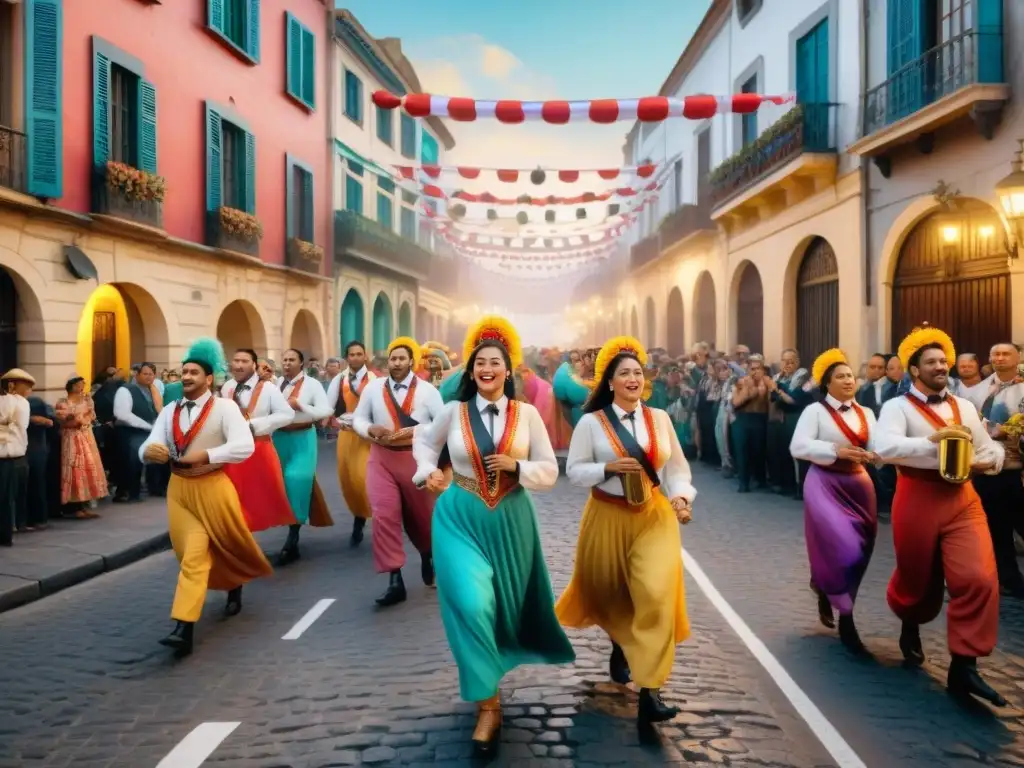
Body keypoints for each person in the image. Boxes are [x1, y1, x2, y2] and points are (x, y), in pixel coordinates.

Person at [413, 316, 575, 756]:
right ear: (471, 371)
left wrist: (517, 467)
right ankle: (488, 704)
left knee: (500, 607)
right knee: (472, 601)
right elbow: (425, 444)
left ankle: (492, 676)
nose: (487, 369)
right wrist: (427, 471)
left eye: (494, 363)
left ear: (508, 370)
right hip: (459, 517)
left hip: (511, 521)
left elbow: (549, 470)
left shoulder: (527, 416)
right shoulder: (453, 412)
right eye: (480, 363)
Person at [556, 336, 696, 728]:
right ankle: (620, 640)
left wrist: (681, 497)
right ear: (610, 381)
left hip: (653, 517)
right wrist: (608, 468)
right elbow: (574, 470)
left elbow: (677, 469)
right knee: (611, 593)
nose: (633, 379)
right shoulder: (591, 422)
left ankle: (650, 690)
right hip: (606, 516)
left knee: (655, 593)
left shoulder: (660, 419)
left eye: (637, 372)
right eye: (624, 373)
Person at [874, 327, 1006, 706]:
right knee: (917, 578)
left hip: (963, 499)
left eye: (943, 360)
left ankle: (965, 666)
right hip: (917, 495)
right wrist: (931, 443)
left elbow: (989, 448)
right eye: (931, 362)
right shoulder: (897, 408)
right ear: (914, 370)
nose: (940, 366)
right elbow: (883, 447)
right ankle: (910, 621)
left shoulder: (964, 407)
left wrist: (988, 461)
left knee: (979, 577)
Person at [139, 338, 273, 656]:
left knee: (212, 550)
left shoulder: (225, 408)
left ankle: (184, 626)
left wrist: (206, 455)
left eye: (193, 372)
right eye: (184, 372)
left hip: (213, 485)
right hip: (179, 491)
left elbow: (244, 446)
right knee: (190, 555)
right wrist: (148, 452)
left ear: (209, 379)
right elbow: (149, 444)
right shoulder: (169, 410)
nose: (186, 377)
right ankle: (197, 612)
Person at [790, 349, 878, 654]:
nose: (848, 380)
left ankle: (825, 586)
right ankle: (847, 619)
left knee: (862, 552)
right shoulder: (814, 412)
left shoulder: (867, 413)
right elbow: (798, 446)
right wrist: (834, 450)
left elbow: (879, 447)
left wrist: (879, 455)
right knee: (845, 547)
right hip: (824, 483)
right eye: (840, 376)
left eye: (850, 376)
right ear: (827, 383)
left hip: (859, 486)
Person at [353, 337, 444, 607]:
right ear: (388, 362)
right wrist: (369, 429)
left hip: (416, 458)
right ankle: (395, 579)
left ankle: (428, 555)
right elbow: (359, 417)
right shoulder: (373, 389)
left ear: (411, 362)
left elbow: (442, 426)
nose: (397, 363)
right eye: (393, 358)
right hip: (381, 457)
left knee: (423, 518)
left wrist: (417, 431)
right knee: (384, 515)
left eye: (402, 358)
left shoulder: (428, 391)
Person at [220, 348, 296, 539]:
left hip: (259, 449)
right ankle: (238, 543)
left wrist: (255, 426)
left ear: (254, 365)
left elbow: (287, 414)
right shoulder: (227, 387)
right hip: (231, 451)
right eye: (236, 360)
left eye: (244, 361)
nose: (239, 365)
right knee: (232, 499)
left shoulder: (269, 388)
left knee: (256, 501)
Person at [274, 348, 334, 565]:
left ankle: (293, 535)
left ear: (301, 363)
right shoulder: (276, 384)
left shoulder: (312, 385)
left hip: (303, 437)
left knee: (296, 479)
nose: (287, 363)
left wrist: (300, 404)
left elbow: (325, 411)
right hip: (278, 438)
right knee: (280, 484)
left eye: (292, 360)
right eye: (284, 359)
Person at [326, 341, 376, 546]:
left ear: (365, 356)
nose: (355, 358)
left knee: (362, 478)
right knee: (349, 481)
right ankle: (359, 517)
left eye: (359, 354)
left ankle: (376, 515)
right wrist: (327, 418)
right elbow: (328, 406)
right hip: (346, 435)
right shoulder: (339, 379)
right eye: (351, 354)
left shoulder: (374, 380)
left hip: (367, 436)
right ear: (346, 358)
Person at [54, 375, 108, 517]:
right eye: (79, 384)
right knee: (74, 468)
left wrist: (83, 415)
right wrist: (78, 418)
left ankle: (83, 504)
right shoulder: (63, 402)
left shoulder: (86, 400)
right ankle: (72, 506)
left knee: (87, 468)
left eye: (82, 384)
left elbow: (91, 417)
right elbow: (64, 420)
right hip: (71, 438)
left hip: (86, 437)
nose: (82, 387)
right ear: (72, 386)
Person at [112, 362, 165, 502]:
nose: (149, 377)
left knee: (154, 459)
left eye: (151, 374)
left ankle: (153, 488)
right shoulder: (126, 390)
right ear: (137, 375)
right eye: (145, 374)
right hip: (129, 432)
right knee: (129, 463)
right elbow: (122, 414)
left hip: (147, 432)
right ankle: (126, 493)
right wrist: (148, 426)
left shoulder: (153, 390)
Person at [0, 368, 32, 546]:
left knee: (6, 497)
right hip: (12, 455)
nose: (28, 391)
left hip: (9, 456)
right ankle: (6, 533)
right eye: (25, 386)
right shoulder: (21, 403)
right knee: (7, 498)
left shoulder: (19, 403)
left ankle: (6, 533)